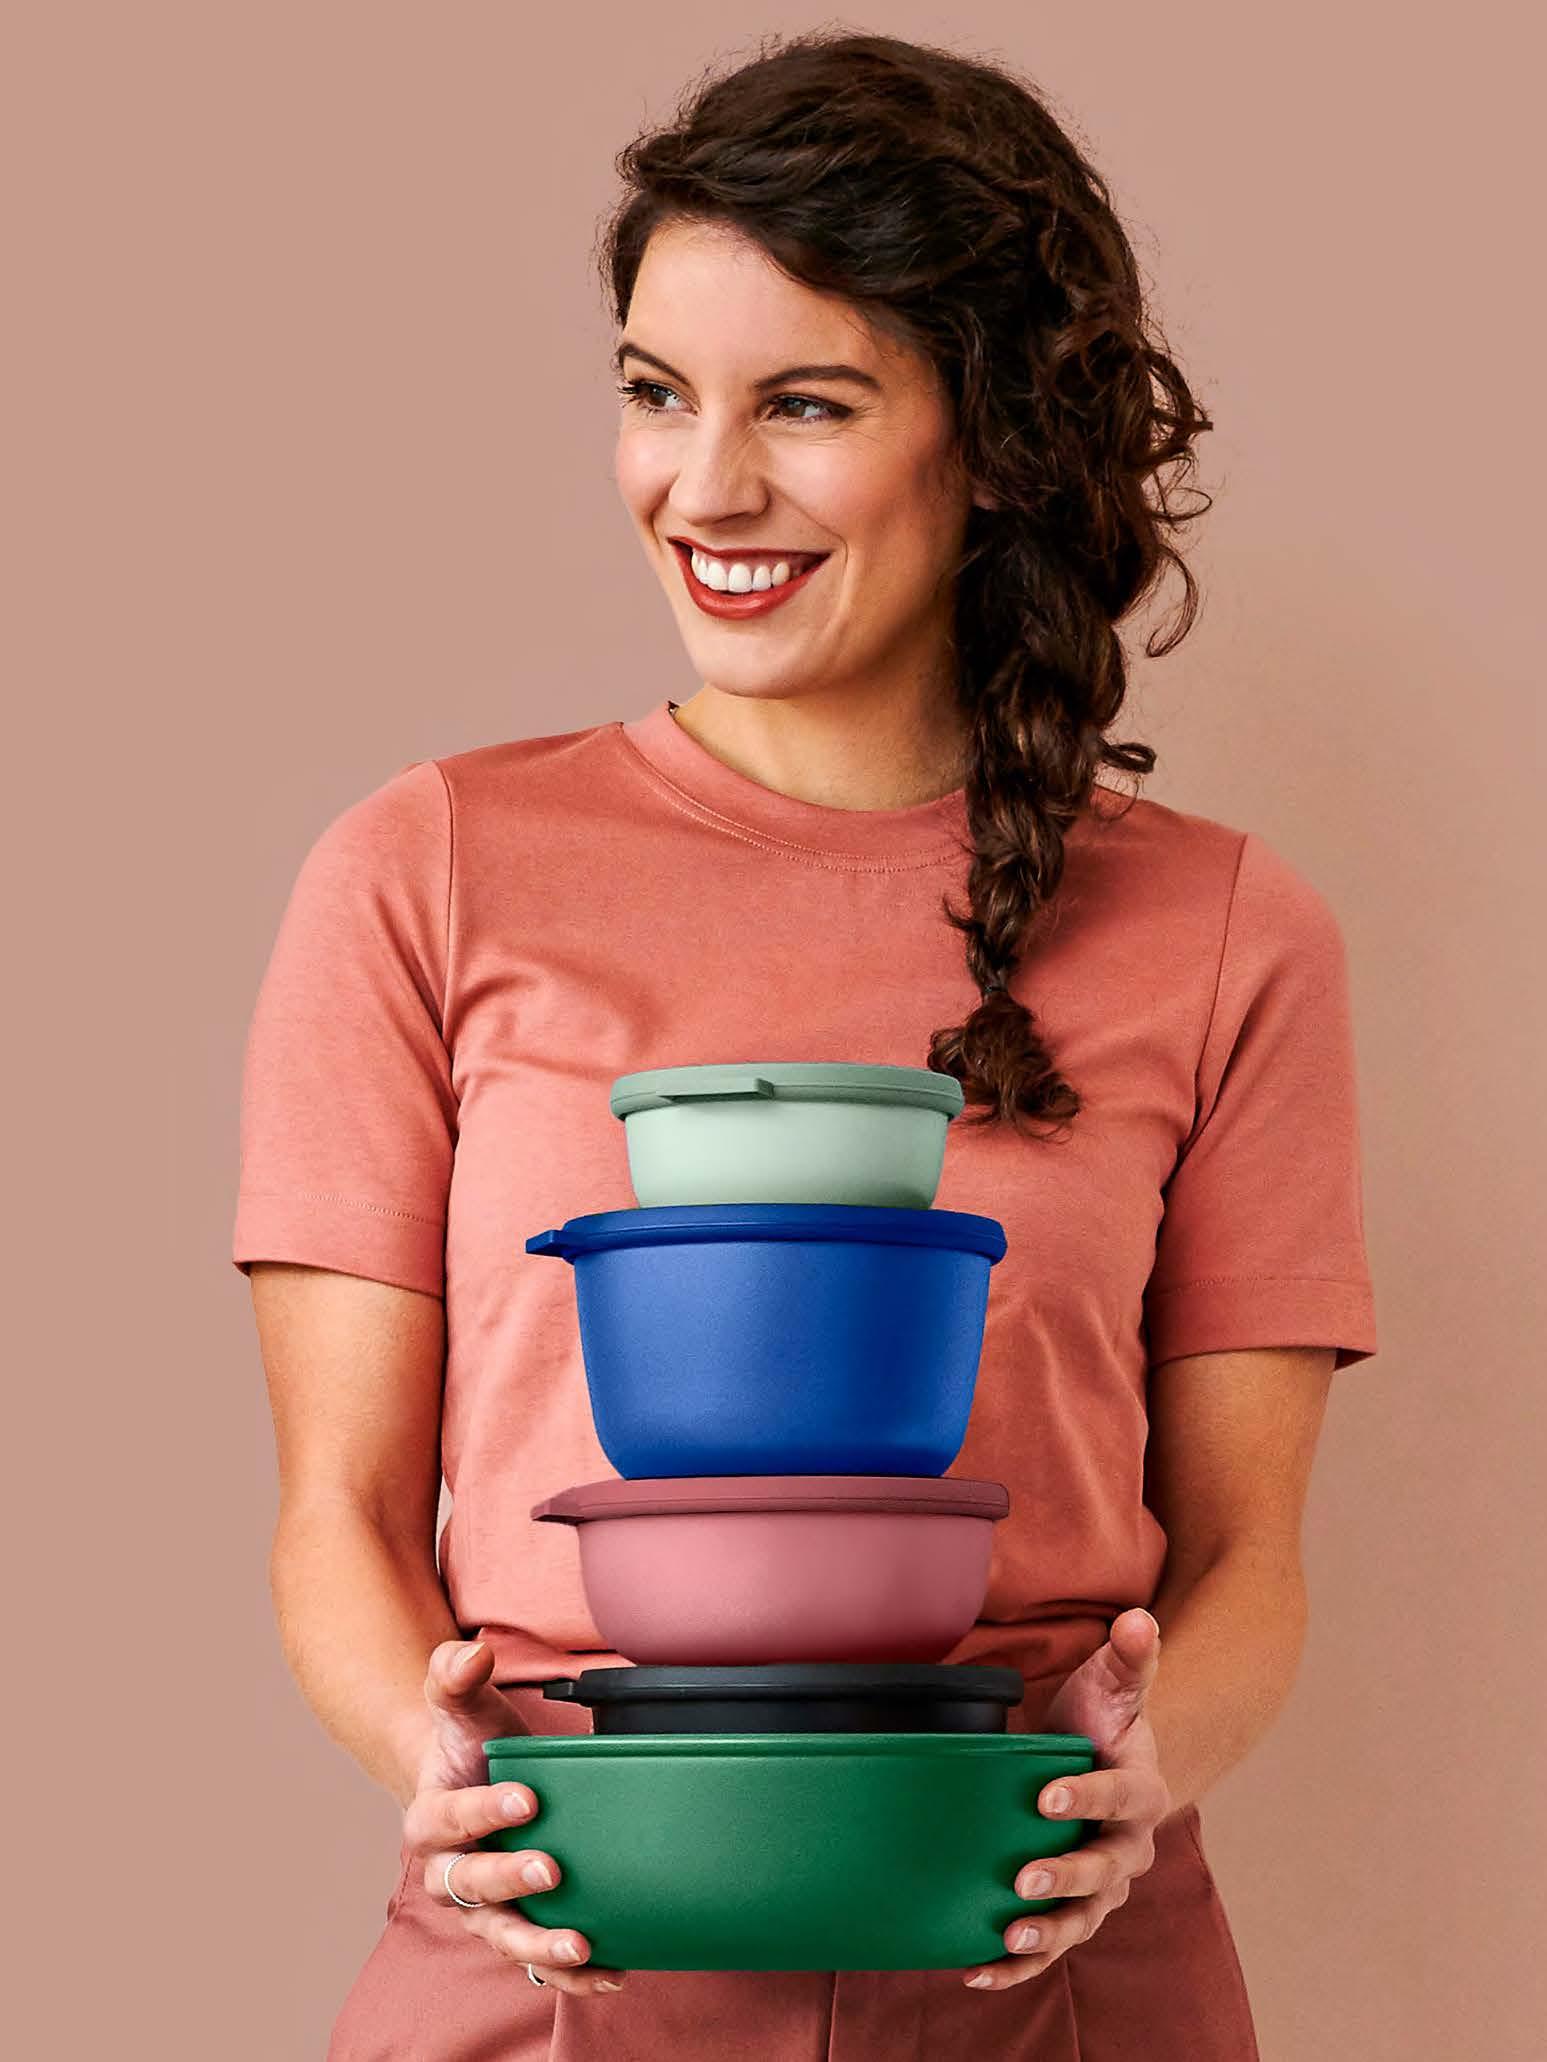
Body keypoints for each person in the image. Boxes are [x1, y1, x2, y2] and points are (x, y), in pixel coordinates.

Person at [234, 29, 1377, 2060]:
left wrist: (1142, 1767)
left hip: (1054, 1958)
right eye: (656, 393)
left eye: (806, 404)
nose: (705, 485)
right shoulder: (425, 870)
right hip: (554, 1952)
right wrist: (430, 1748)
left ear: (999, 438)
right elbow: (339, 1512)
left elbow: (1246, 1563)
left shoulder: (1227, 929)